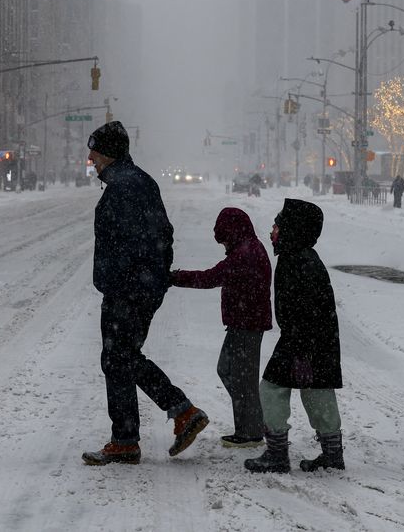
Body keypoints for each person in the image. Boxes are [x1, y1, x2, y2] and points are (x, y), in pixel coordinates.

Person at [81, 121, 209, 466]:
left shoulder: (125, 187)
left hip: (129, 289)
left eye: (94, 149)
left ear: (109, 152)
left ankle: (179, 411)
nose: (90, 156)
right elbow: (161, 234)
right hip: (140, 286)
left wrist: (121, 280)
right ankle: (129, 437)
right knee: (120, 358)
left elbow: (136, 242)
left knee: (118, 356)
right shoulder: (135, 182)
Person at [245, 199, 345, 474]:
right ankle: (332, 454)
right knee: (317, 393)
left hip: (303, 342)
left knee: (272, 391)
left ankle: (277, 454)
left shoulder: (298, 261)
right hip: (313, 342)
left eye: (277, 225)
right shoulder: (300, 257)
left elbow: (308, 311)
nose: (272, 232)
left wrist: (302, 352)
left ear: (292, 229)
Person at [170, 208, 273, 449]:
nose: (224, 244)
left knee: (242, 378)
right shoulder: (247, 248)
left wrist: (175, 278)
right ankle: (253, 423)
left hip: (247, 324)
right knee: (228, 370)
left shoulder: (245, 254)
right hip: (242, 322)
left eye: (225, 239)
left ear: (234, 233)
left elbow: (210, 277)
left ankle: (251, 432)